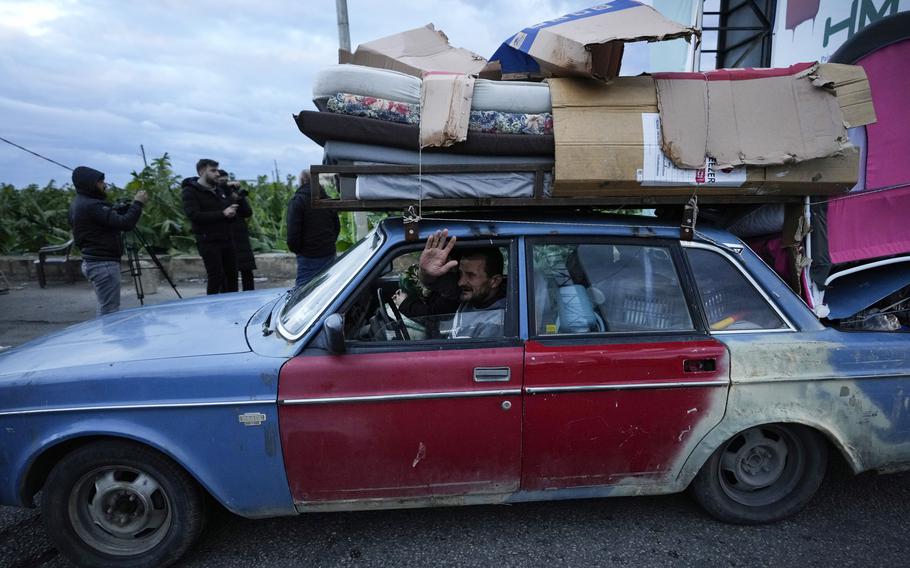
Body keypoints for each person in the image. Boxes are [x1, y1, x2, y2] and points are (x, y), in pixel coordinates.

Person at [395, 229, 507, 339]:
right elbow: (435, 284)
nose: (460, 282)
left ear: (495, 281)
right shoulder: (472, 296)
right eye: (460, 273)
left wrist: (405, 304)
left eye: (471, 275)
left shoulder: (494, 325)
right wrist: (425, 271)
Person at [67, 166, 148, 316]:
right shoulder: (92, 205)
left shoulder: (78, 203)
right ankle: (107, 338)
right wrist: (138, 204)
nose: (105, 185)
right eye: (101, 182)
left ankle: (106, 336)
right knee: (109, 311)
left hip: (92, 261)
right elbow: (126, 224)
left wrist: (114, 211)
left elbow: (100, 222)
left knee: (106, 306)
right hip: (103, 264)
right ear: (90, 184)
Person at [181, 159, 251, 295]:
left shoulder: (218, 190)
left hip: (227, 240)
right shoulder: (190, 191)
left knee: (232, 277)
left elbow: (242, 212)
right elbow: (194, 215)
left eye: (217, 170)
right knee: (216, 277)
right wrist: (223, 213)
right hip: (208, 241)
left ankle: (232, 307)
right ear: (201, 171)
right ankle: (213, 309)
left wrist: (232, 209)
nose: (217, 174)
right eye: (213, 170)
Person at [286, 171, 340, 287]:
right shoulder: (327, 200)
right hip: (328, 253)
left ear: (301, 182)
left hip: (308, 256)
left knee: (303, 293)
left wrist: (298, 250)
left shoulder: (298, 201)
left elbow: (293, 233)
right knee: (327, 289)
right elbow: (336, 227)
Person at [217, 169, 257, 291]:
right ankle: (229, 296)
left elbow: (247, 212)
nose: (226, 183)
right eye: (222, 181)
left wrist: (239, 198)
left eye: (226, 180)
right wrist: (227, 192)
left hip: (241, 238)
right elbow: (220, 208)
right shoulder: (217, 194)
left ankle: (249, 296)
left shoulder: (233, 193)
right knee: (228, 274)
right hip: (227, 237)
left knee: (247, 272)